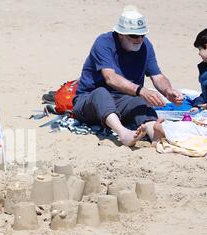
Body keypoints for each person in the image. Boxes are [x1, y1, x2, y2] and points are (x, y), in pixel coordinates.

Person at [72, 5, 184, 146]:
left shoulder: (145, 46)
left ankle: (154, 134)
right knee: (101, 93)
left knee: (140, 101)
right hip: (89, 102)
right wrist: (141, 90)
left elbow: (158, 76)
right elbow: (110, 78)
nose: (139, 39)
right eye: (134, 36)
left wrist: (168, 91)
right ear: (120, 34)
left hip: (122, 101)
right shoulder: (104, 42)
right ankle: (123, 134)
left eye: (142, 35)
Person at [153, 28, 207, 142]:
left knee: (197, 126)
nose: (198, 53)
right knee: (185, 96)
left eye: (200, 49)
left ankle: (166, 130)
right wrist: (197, 105)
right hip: (202, 107)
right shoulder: (204, 67)